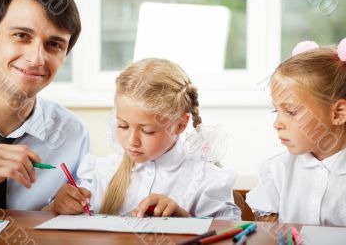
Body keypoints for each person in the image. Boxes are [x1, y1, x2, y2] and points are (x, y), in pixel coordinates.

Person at [49, 58, 240, 220]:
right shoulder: (100, 173)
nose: (132, 141)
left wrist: (184, 220)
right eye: (123, 126)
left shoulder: (207, 180)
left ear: (180, 125)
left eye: (148, 131)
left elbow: (229, 237)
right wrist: (62, 205)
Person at [0, 0, 89, 210]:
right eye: (22, 36)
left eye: (54, 44)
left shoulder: (73, 134)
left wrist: (56, 210)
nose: (36, 59)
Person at [246, 37, 346, 226]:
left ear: (338, 113)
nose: (277, 124)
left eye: (291, 112)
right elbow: (266, 220)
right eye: (277, 111)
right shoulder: (277, 171)